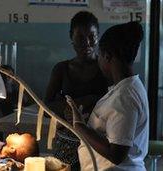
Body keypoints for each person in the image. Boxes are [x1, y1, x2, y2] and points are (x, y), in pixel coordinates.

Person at [66, 21, 149, 170]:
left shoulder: (125, 96)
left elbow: (116, 154)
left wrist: (80, 127)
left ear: (107, 56)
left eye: (99, 55)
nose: (97, 59)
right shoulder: (125, 88)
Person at [44, 11, 108, 169]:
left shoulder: (106, 69)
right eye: (80, 37)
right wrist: (70, 107)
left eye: (92, 37)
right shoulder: (61, 69)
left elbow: (114, 103)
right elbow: (46, 108)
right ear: (71, 37)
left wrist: (88, 100)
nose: (86, 43)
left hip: (98, 143)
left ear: (98, 37)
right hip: (67, 142)